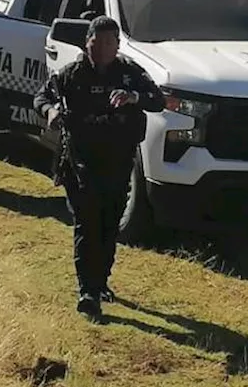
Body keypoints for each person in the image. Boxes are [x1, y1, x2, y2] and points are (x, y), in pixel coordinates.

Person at [33, 16, 165, 321]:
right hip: (80, 162)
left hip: (118, 162)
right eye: (99, 42)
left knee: (109, 225)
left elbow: (158, 100)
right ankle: (87, 292)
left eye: (111, 43)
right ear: (87, 42)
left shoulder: (129, 73)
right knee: (87, 224)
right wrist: (50, 110)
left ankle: (100, 280)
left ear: (117, 46)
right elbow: (42, 95)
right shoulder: (71, 74)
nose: (104, 48)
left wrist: (133, 97)